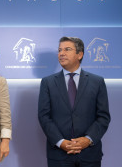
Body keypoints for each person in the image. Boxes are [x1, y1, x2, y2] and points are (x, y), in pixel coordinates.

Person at [38, 37, 111, 167]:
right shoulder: (47, 82)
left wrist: (87, 140)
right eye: (60, 50)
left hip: (89, 154)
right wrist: (61, 142)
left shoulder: (97, 82)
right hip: (58, 155)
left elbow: (103, 117)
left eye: (67, 49)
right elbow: (44, 117)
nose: (61, 53)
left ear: (80, 54)